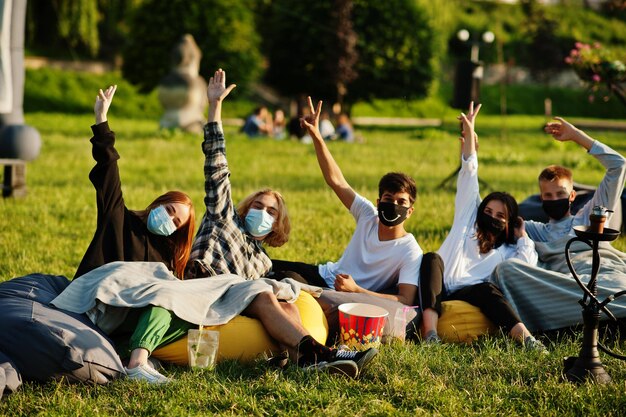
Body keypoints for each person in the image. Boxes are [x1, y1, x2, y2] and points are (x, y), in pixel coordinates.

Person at [186, 69, 377, 377]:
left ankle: (311, 359)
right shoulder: (224, 218)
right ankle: (319, 353)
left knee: (282, 300)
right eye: (257, 205)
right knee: (261, 293)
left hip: (234, 298)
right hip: (206, 287)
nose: (262, 212)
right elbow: (216, 166)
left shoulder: (261, 260)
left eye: (271, 211)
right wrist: (215, 106)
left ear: (277, 225)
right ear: (246, 208)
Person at [74, 85, 197, 383]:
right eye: (169, 210)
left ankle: (135, 357)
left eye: (177, 221)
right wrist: (101, 122)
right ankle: (138, 363)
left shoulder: (166, 256)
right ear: (158, 202)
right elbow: (108, 171)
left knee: (184, 306)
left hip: (129, 318)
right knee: (164, 295)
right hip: (98, 306)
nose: (169, 219)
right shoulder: (119, 219)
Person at [271, 97, 429, 319]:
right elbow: (336, 181)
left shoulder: (410, 251)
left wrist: (357, 290)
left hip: (345, 295)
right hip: (324, 275)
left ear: (410, 211)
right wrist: (316, 136)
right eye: (388, 198)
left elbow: (405, 300)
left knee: (284, 281)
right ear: (378, 202)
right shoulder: (368, 215)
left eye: (401, 202)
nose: (393, 205)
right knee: (267, 266)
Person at [419, 102, 546, 351]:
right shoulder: (468, 218)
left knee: (488, 289)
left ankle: (528, 340)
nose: (492, 217)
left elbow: (526, 268)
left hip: (472, 293)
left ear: (509, 222)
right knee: (431, 258)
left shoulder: (509, 249)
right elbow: (469, 171)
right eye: (488, 211)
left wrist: (522, 237)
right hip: (441, 286)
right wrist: (469, 135)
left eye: (500, 215)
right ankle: (430, 335)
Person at [492, 118, 626, 332]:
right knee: (506, 270)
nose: (555, 200)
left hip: (602, 277)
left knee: (605, 289)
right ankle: (601, 316)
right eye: (548, 195)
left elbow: (618, 165)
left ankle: (599, 315)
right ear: (541, 199)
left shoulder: (589, 218)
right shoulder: (534, 230)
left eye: (560, 194)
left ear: (572, 195)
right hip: (566, 287)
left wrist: (576, 136)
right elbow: (488, 219)